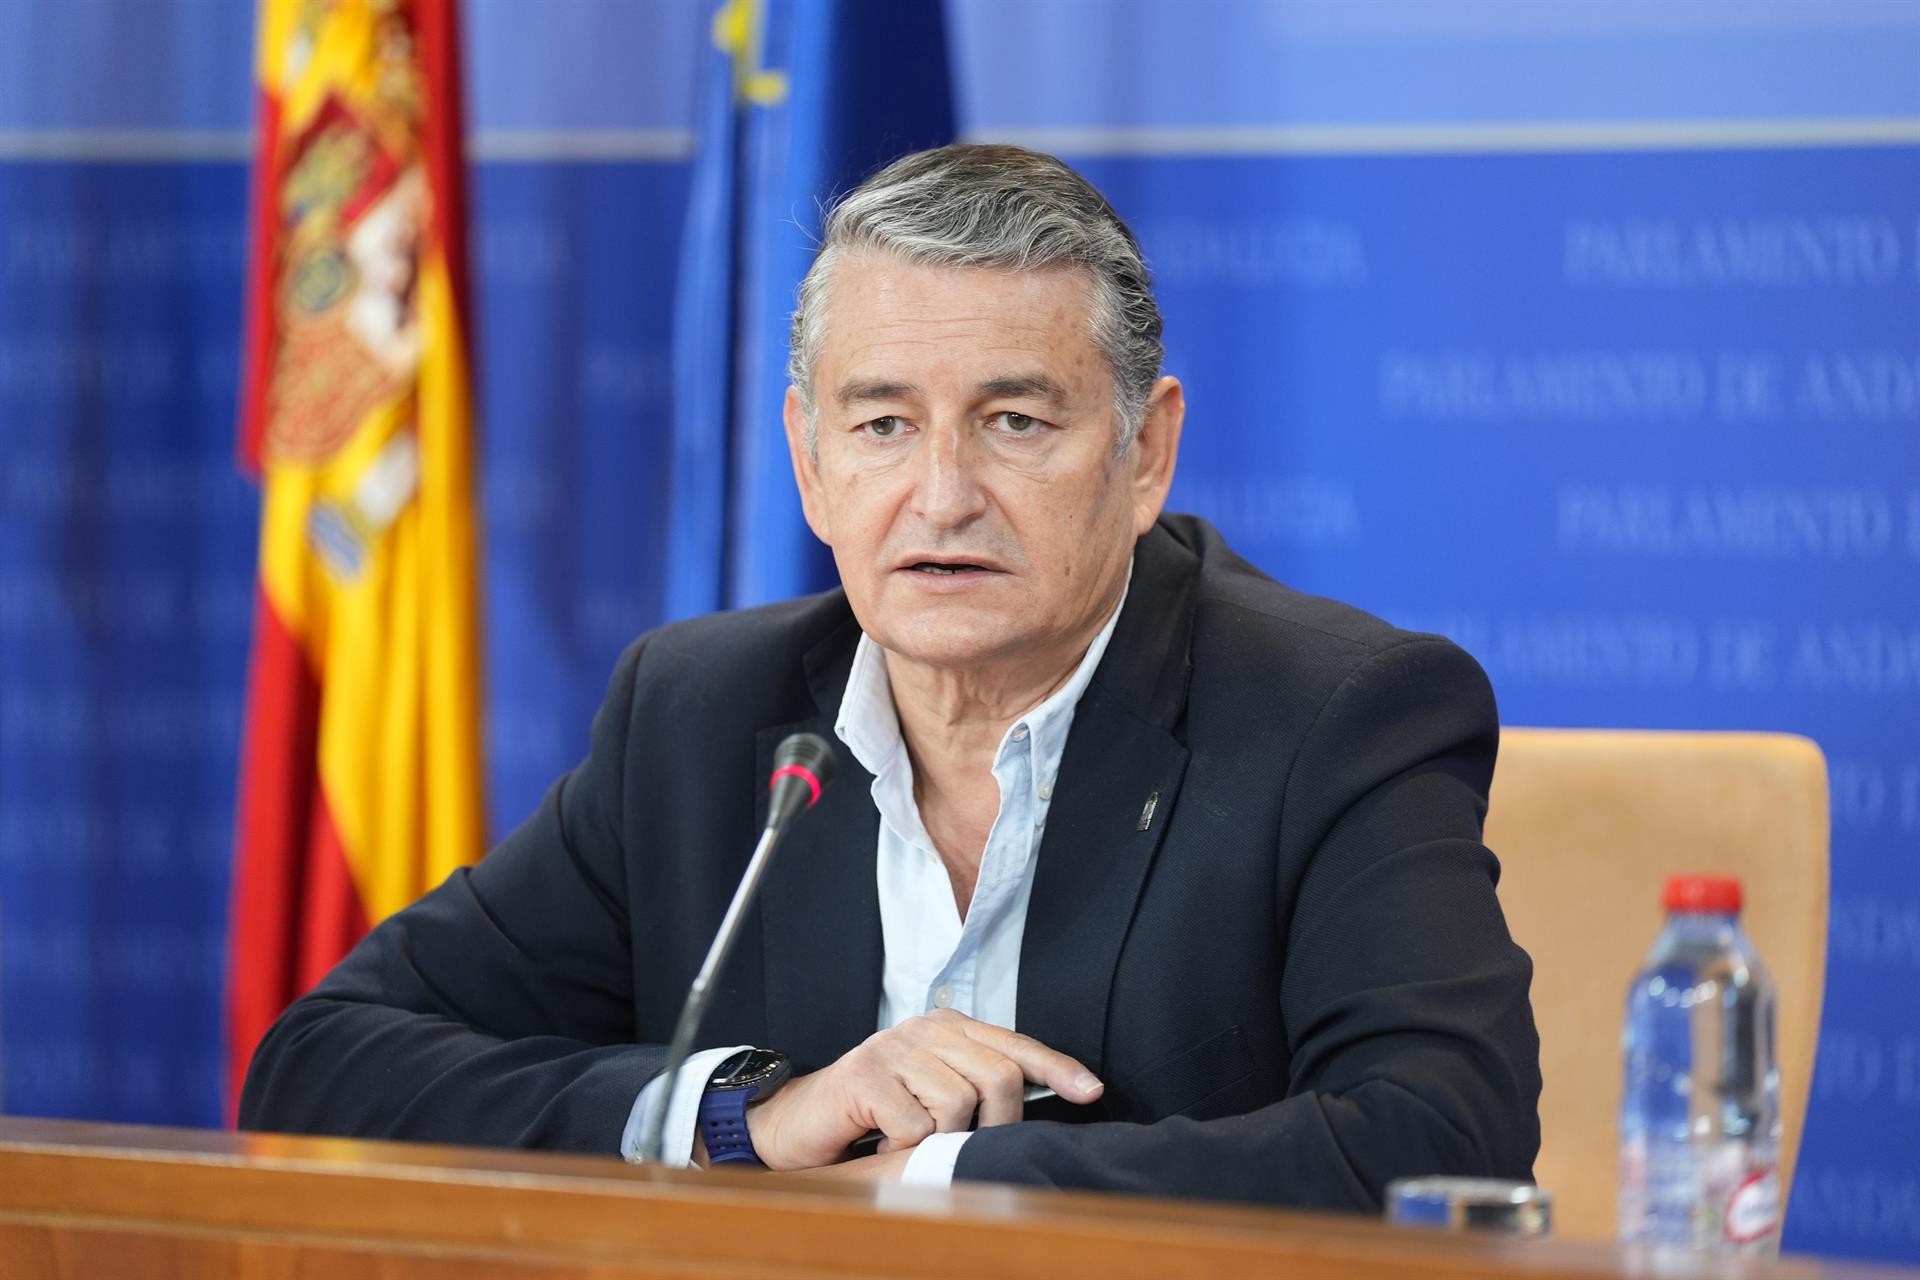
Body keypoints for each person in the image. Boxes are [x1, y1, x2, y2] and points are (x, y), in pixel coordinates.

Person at [241, 143, 1540, 1208]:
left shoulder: (1335, 719)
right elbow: (322, 1067)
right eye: (881, 425)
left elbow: (1440, 1146)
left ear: (1146, 455)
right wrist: (752, 1117)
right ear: (810, 463)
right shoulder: (701, 718)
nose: (940, 497)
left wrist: (945, 1177)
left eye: (1014, 422)